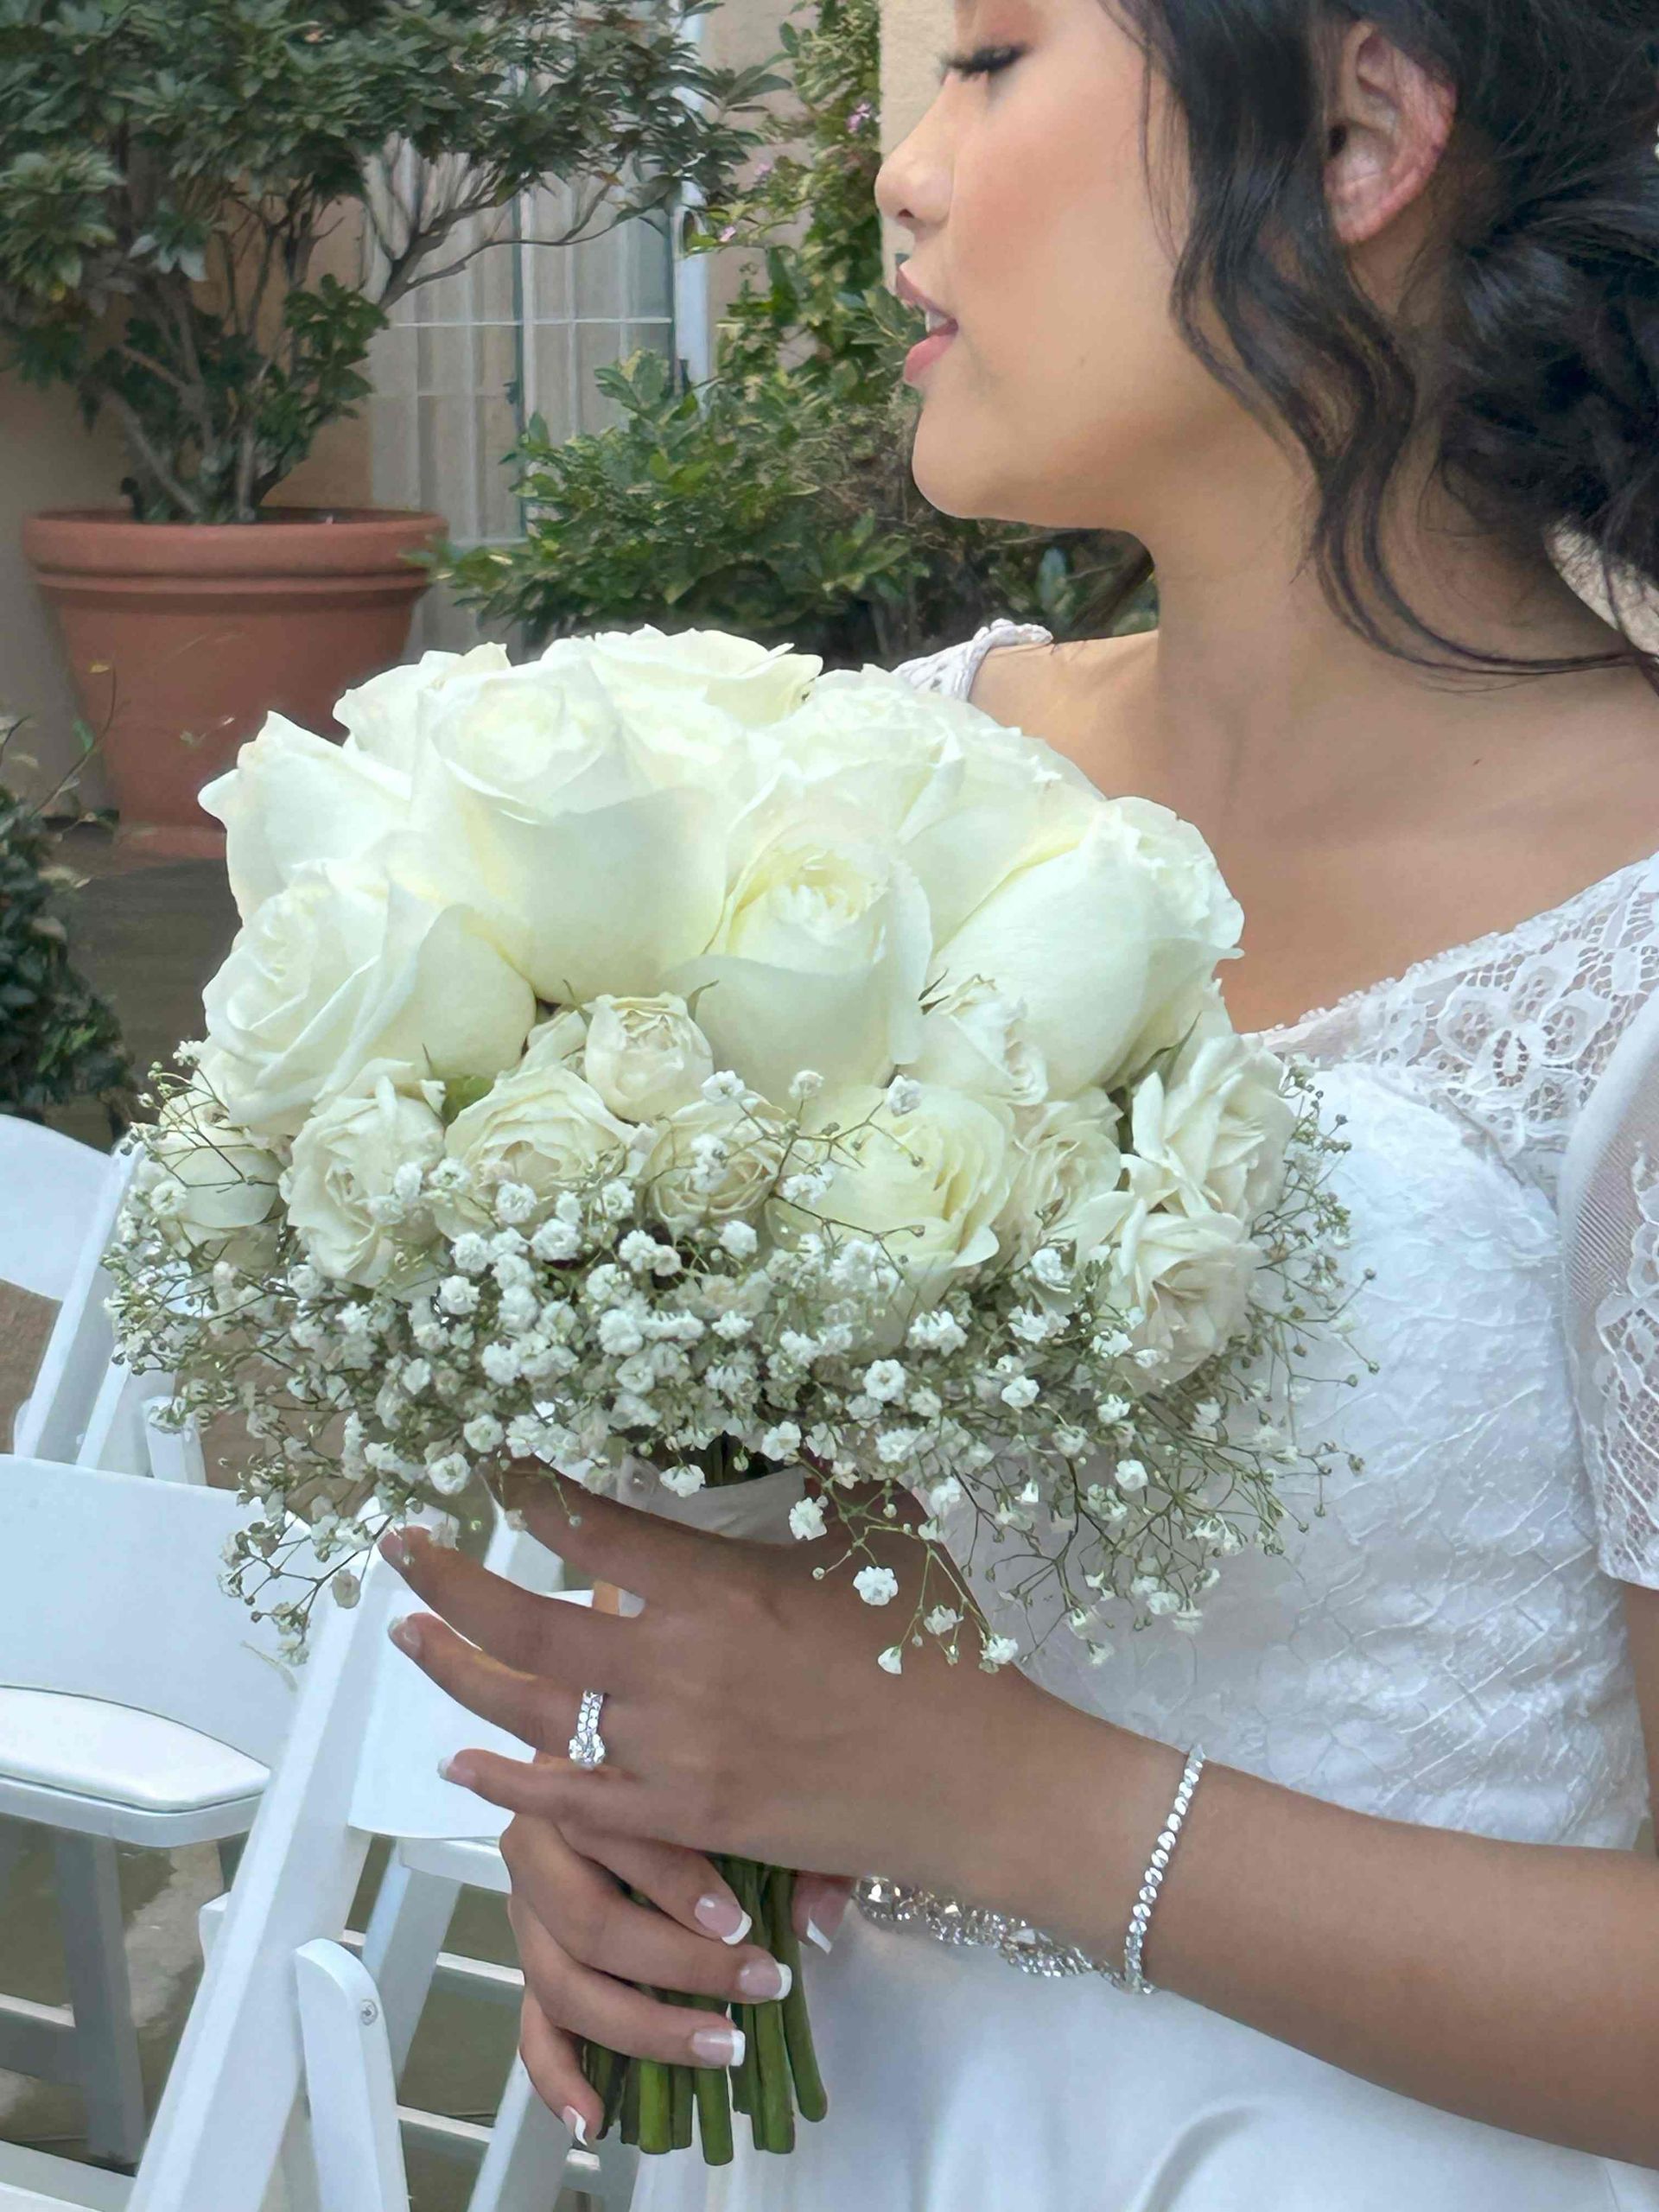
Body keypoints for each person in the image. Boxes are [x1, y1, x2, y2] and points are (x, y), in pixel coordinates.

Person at [381, 1, 1659, 2201]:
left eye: (986, 55)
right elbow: (798, 1592)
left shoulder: (1626, 942)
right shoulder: (867, 796)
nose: (903, 166)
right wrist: (652, 1823)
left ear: (1359, 130)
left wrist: (983, 1793)